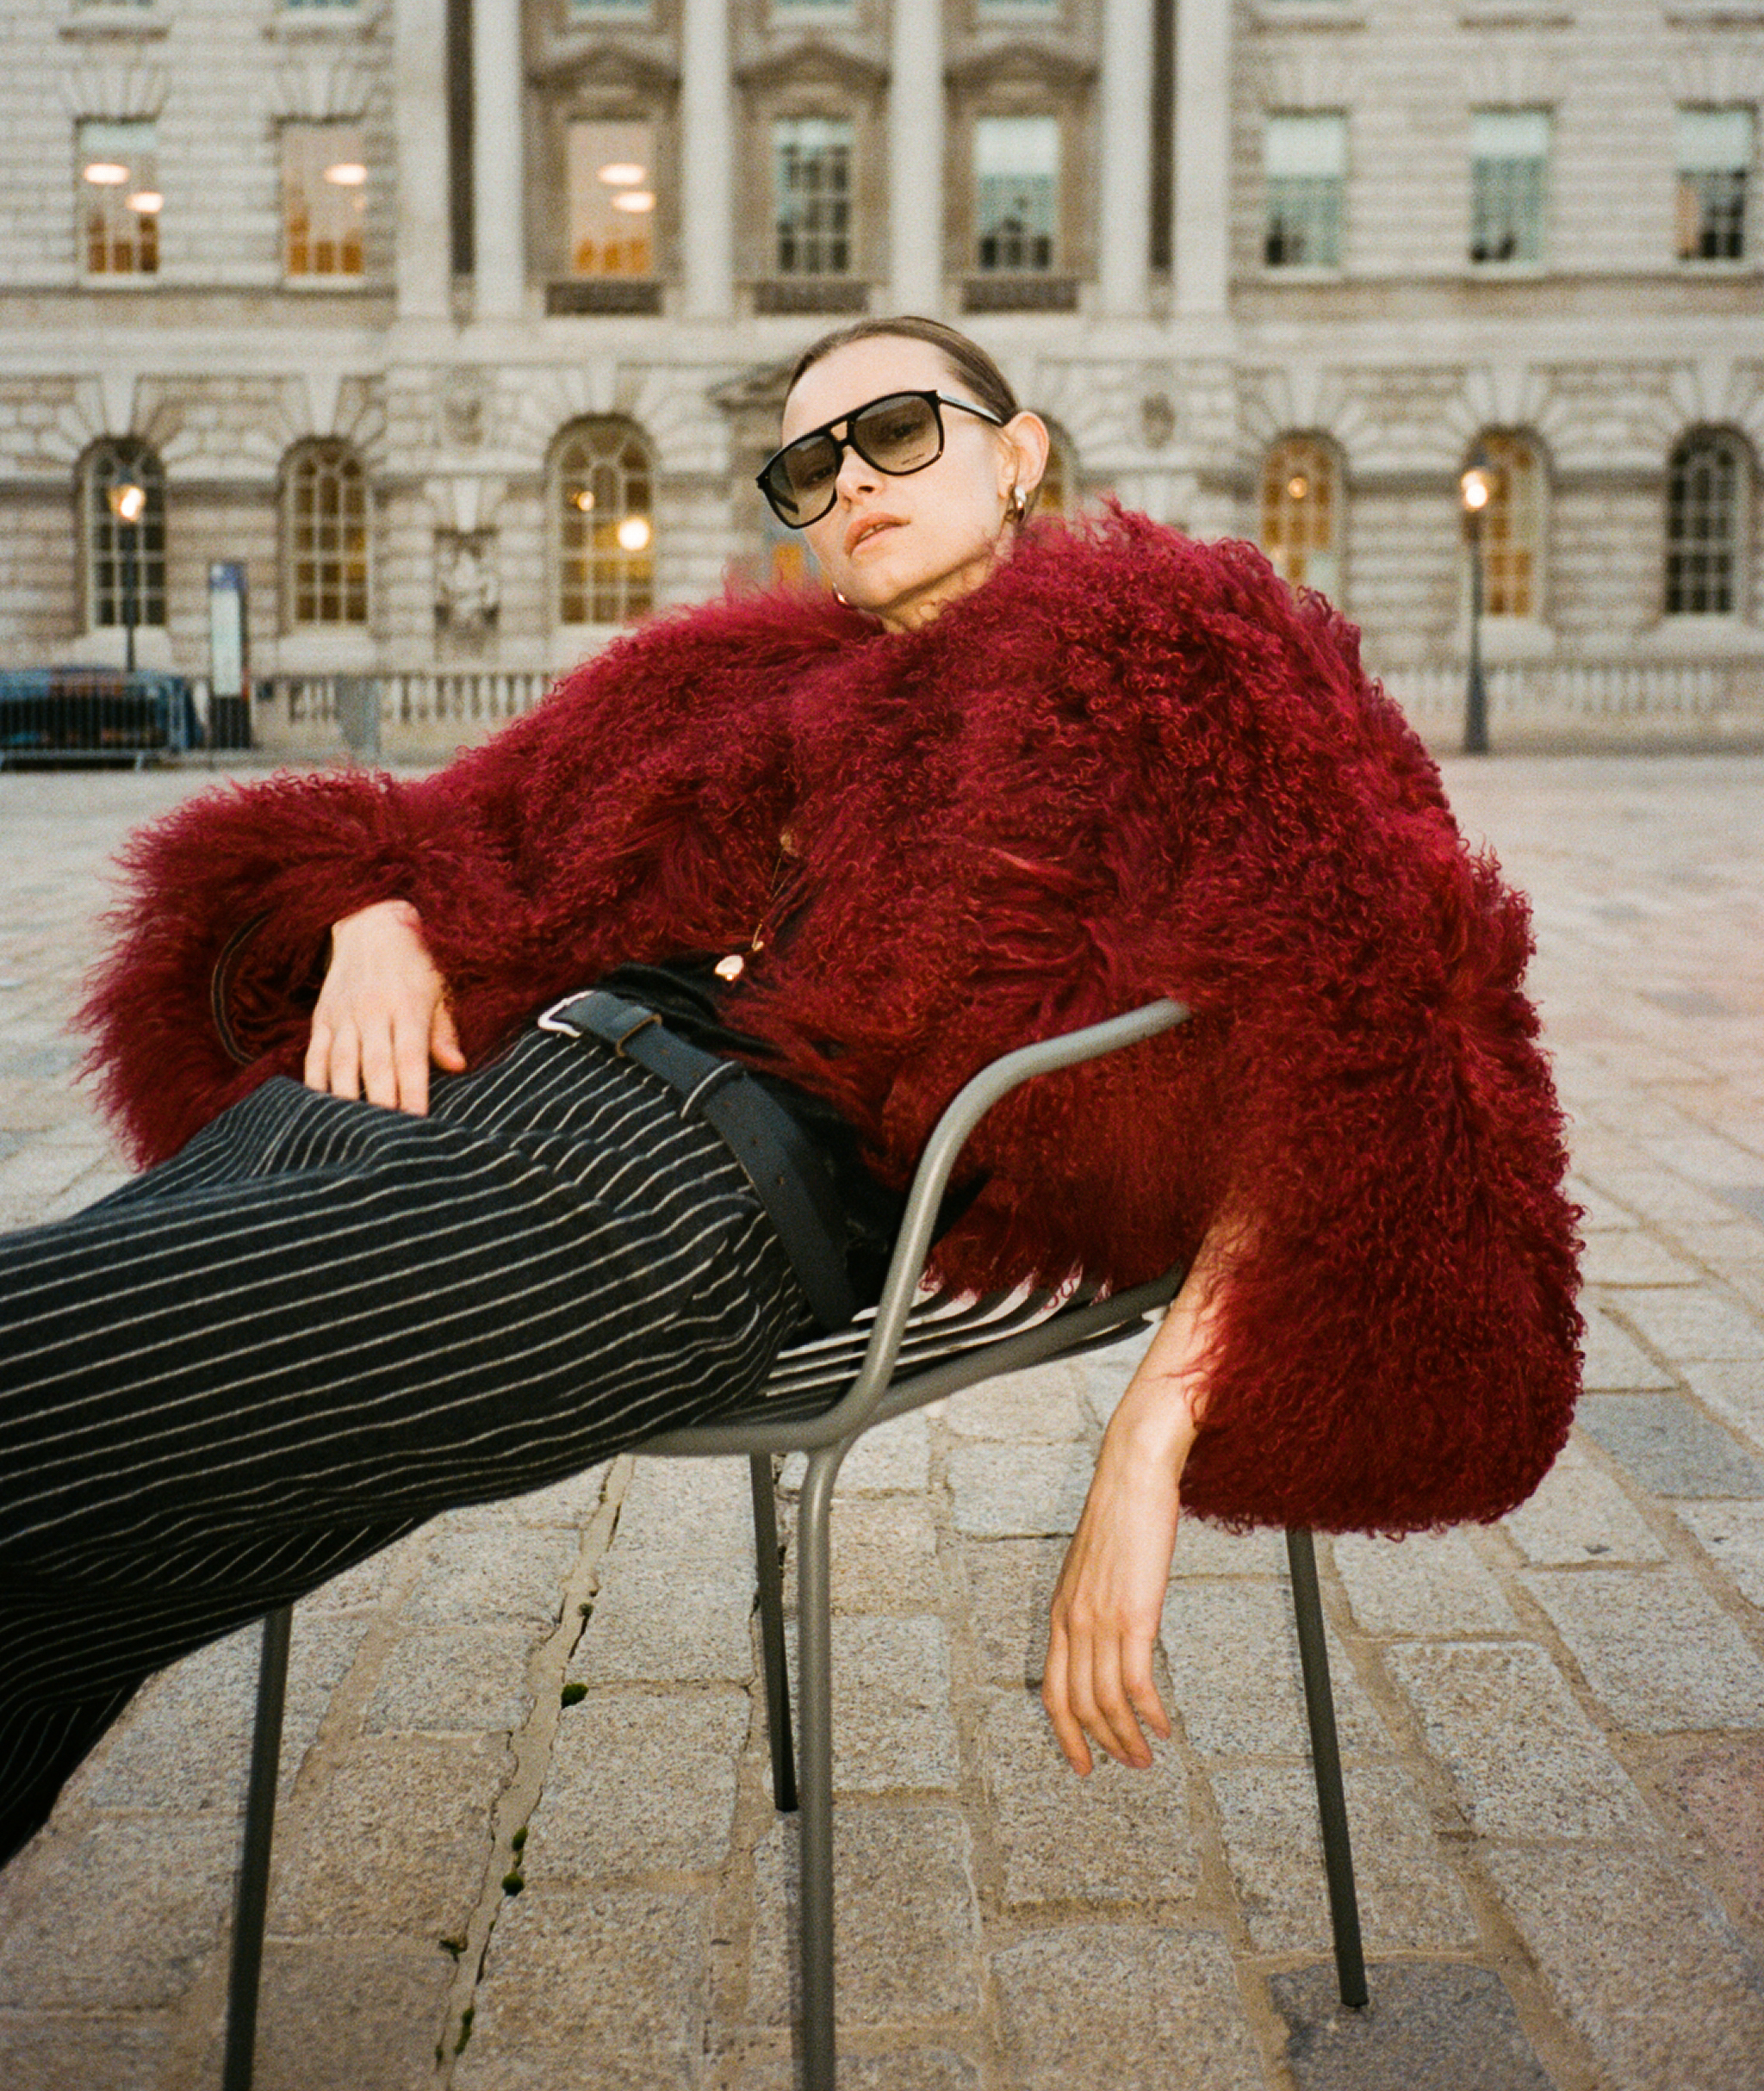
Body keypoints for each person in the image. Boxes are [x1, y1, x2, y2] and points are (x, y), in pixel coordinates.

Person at [0, 317, 1580, 1860]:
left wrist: (1149, 1442)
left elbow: (1378, 1007)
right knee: (73, 1576)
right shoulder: (714, 688)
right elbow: (441, 828)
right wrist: (366, 911)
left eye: (896, 433)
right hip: (405, 1110)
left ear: (1018, 453)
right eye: (805, 471)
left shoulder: (1183, 658)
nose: (852, 485)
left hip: (672, 1195)